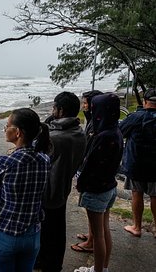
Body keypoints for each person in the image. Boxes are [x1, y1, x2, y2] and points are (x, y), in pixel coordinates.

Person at [0, 108, 51, 272]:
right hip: (32, 235)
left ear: (18, 133)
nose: (5, 129)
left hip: (6, 234)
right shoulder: (44, 159)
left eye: (7, 126)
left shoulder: (6, 161)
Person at [36, 92, 87, 272]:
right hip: (63, 188)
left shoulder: (55, 138)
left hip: (47, 190)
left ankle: (43, 262)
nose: (52, 110)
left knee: (44, 231)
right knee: (58, 230)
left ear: (60, 110)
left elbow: (36, 152)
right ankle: (54, 264)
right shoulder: (78, 133)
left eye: (54, 108)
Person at [74, 93, 123, 272]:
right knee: (104, 230)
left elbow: (90, 164)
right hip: (109, 186)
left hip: (96, 189)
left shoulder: (103, 136)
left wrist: (81, 184)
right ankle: (103, 267)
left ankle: (98, 270)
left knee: (98, 235)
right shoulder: (115, 130)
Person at [120, 88, 156, 238]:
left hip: (136, 163)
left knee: (137, 194)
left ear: (145, 102)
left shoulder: (136, 117)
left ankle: (137, 227)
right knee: (155, 196)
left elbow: (120, 132)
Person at [72, 90, 103, 254]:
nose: (83, 107)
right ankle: (91, 235)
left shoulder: (97, 125)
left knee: (94, 209)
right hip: (90, 173)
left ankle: (92, 241)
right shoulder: (93, 120)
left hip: (91, 176)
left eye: (85, 104)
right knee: (93, 210)